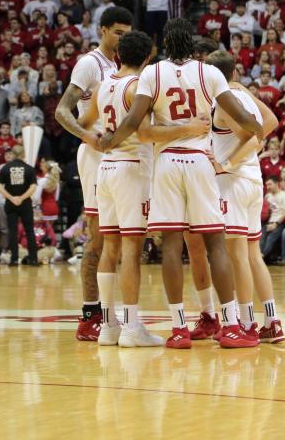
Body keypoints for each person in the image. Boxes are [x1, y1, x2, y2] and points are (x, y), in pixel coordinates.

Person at [97, 18, 264, 349]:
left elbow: (134, 122)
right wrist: (256, 129)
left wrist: (109, 141)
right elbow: (244, 117)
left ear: (166, 43)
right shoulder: (209, 73)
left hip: (167, 162)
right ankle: (230, 325)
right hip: (200, 161)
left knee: (171, 245)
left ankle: (178, 328)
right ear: (191, 42)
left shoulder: (152, 73)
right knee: (215, 243)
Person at [81, 30, 199, 347]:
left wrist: (98, 142)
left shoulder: (103, 85)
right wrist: (188, 128)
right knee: (132, 251)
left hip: (104, 169)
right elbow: (145, 134)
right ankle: (132, 328)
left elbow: (83, 123)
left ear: (119, 55)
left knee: (110, 249)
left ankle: (109, 327)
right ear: (148, 58)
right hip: (132, 169)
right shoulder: (138, 87)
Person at [54, 6, 134, 342]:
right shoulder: (90, 63)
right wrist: (89, 137)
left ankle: (112, 314)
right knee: (99, 237)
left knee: (119, 239)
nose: (122, 38)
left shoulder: (123, 66)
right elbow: (61, 111)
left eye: (127, 33)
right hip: (96, 156)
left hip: (119, 155)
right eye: (117, 32)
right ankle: (89, 316)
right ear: (102, 30)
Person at [208, 50, 285, 342]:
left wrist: (226, 163)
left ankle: (247, 325)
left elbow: (254, 137)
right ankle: (272, 321)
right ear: (236, 73)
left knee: (237, 256)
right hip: (254, 180)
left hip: (234, 182)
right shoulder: (241, 94)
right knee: (254, 255)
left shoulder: (224, 104)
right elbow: (270, 122)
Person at [0, 145, 38, 266]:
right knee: (29, 231)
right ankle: (33, 259)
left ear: (13, 154)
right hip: (25, 203)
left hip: (11, 203)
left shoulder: (5, 168)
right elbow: (33, 186)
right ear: (24, 155)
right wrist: (22, 197)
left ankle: (14, 259)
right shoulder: (29, 169)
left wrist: (11, 197)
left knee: (12, 231)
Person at [260, 176, 285, 260]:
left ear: (277, 184)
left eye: (270, 184)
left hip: (282, 222)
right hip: (269, 221)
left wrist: (276, 224)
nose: (268, 187)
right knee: (261, 234)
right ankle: (259, 255)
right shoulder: (267, 196)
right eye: (267, 185)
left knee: (272, 236)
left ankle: (262, 256)